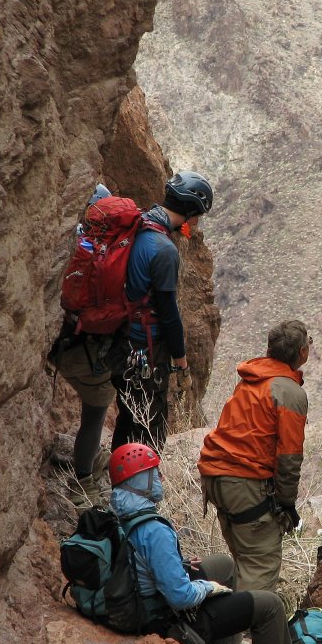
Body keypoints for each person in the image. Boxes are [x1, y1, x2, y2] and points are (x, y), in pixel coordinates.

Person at [108, 442, 300, 644]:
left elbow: (139, 562)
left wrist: (180, 564)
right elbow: (181, 597)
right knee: (270, 605)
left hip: (137, 602)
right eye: (154, 473)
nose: (160, 477)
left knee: (224, 565)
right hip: (164, 622)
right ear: (140, 480)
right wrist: (209, 587)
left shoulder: (120, 513)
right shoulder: (154, 531)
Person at [198, 321, 310, 593]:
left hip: (215, 477)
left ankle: (231, 624)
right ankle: (245, 631)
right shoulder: (289, 392)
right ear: (302, 353)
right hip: (244, 484)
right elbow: (289, 457)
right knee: (260, 566)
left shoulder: (251, 379)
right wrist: (286, 503)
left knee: (244, 560)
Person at [109, 170, 214, 451]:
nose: (196, 221)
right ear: (191, 211)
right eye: (198, 214)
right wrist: (181, 362)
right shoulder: (164, 249)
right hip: (145, 348)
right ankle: (141, 488)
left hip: (120, 342)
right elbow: (168, 314)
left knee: (128, 415)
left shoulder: (139, 225)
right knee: (150, 427)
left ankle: (116, 480)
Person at [49, 184, 116, 511]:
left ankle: (86, 463)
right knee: (94, 416)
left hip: (54, 341)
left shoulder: (67, 239)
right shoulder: (103, 250)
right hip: (85, 350)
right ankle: (83, 482)